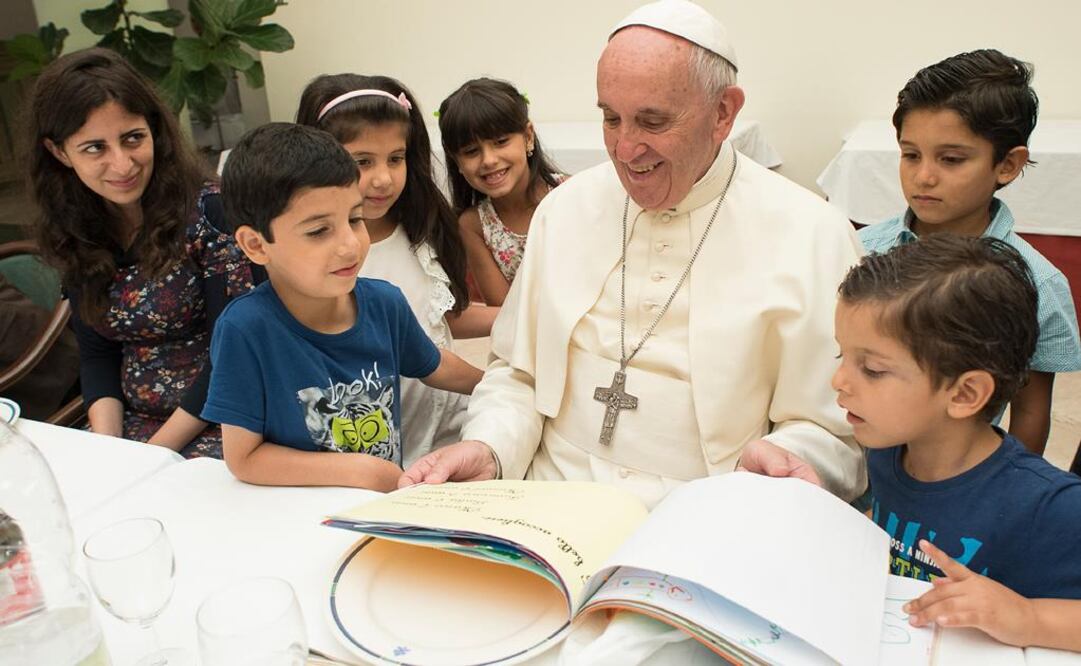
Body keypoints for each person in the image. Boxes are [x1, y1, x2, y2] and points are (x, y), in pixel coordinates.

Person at [402, 0, 865, 508]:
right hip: (548, 500)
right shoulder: (566, 210)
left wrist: (784, 462)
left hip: (713, 509)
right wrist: (489, 447)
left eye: (652, 121)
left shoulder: (814, 235)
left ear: (723, 113)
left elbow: (836, 429)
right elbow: (517, 374)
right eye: (611, 118)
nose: (624, 150)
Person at [833, 234, 1081, 651]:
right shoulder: (888, 451)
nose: (838, 381)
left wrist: (1028, 616)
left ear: (965, 394)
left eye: (872, 369)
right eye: (841, 356)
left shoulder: (1050, 506)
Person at [204, 123, 482, 491]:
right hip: (301, 514)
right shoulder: (245, 329)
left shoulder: (384, 302)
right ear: (256, 245)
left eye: (355, 219)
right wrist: (363, 471)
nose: (350, 245)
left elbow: (435, 365)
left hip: (383, 504)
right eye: (319, 231)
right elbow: (244, 458)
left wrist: (508, 385)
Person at [26, 48, 253, 458]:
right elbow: (97, 356)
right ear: (59, 152)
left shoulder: (212, 213)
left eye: (133, 138)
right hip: (128, 428)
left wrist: (150, 455)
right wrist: (110, 450)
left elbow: (232, 354)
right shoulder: (73, 227)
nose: (122, 164)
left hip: (225, 423)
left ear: (154, 131)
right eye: (95, 148)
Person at [858, 49, 1081, 454]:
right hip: (852, 464)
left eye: (951, 159)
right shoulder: (862, 249)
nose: (923, 176)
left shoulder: (1038, 283)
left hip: (954, 479)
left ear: (1008, 165)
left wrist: (1001, 495)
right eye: (911, 155)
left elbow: (1030, 410)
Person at [295, 73, 495, 466]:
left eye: (396, 158)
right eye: (362, 162)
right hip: (377, 450)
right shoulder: (318, 263)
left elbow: (438, 316)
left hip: (453, 427)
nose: (383, 178)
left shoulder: (421, 229)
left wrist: (512, 319)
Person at [438, 78, 565, 306]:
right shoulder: (473, 225)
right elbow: (503, 311)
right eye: (471, 151)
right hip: (525, 337)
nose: (489, 160)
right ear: (455, 160)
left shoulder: (569, 194)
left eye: (500, 142)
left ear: (528, 136)